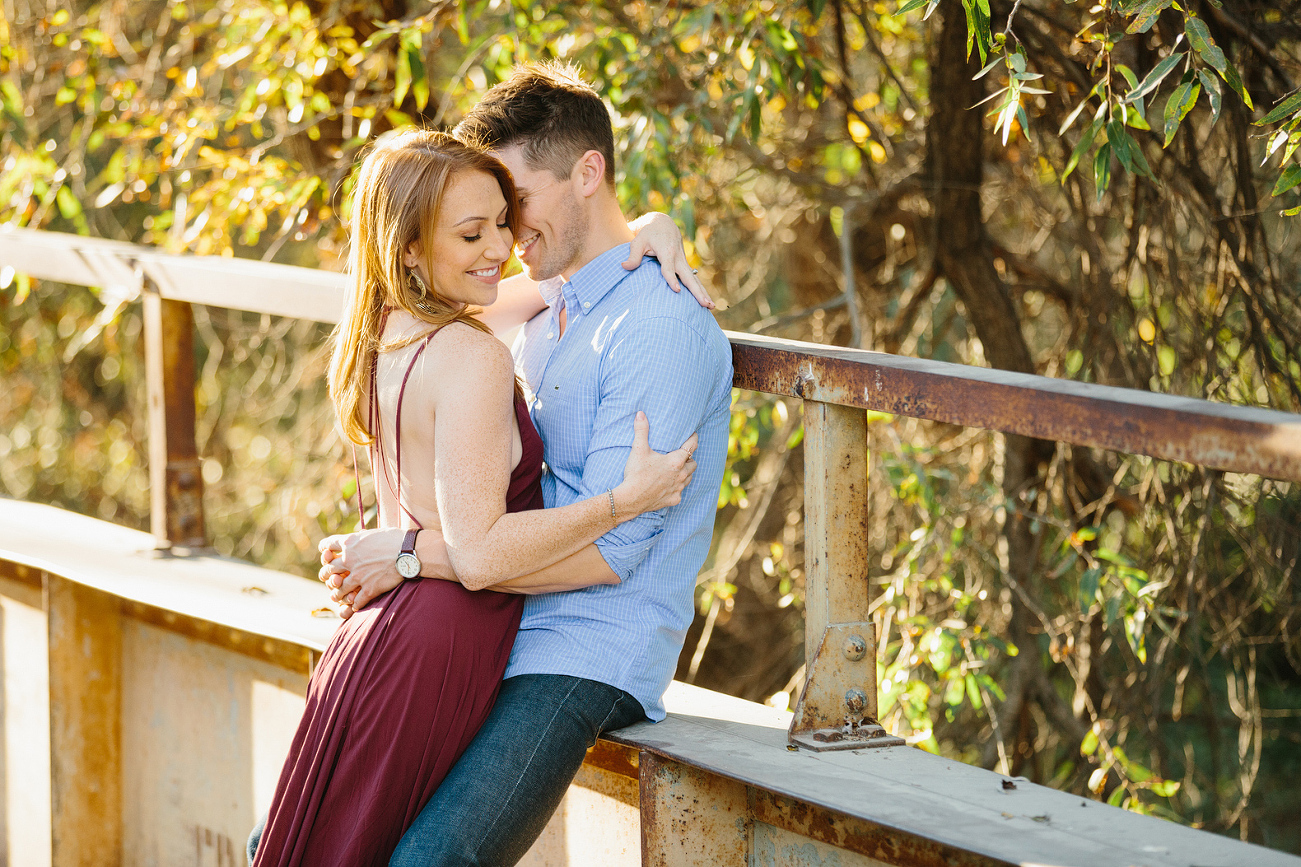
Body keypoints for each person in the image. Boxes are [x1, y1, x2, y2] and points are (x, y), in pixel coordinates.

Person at [247, 128, 705, 867]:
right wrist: (624, 499)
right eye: (474, 230)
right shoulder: (473, 353)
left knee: (314, 843)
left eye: (503, 218)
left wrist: (647, 228)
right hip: (439, 635)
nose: (501, 245)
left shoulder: (384, 330)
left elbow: (574, 277)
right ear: (407, 247)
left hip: (380, 634)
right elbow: (482, 553)